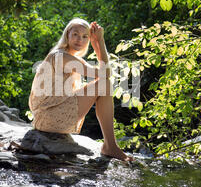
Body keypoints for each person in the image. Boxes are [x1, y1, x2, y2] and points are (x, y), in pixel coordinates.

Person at [29, 18, 133, 161]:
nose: (80, 39)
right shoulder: (61, 57)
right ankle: (110, 146)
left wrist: (97, 45)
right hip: (49, 117)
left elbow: (103, 72)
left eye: (85, 36)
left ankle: (110, 145)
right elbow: (106, 74)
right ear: (67, 35)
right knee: (104, 84)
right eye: (75, 34)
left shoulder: (70, 56)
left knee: (104, 84)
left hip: (46, 117)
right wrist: (100, 43)